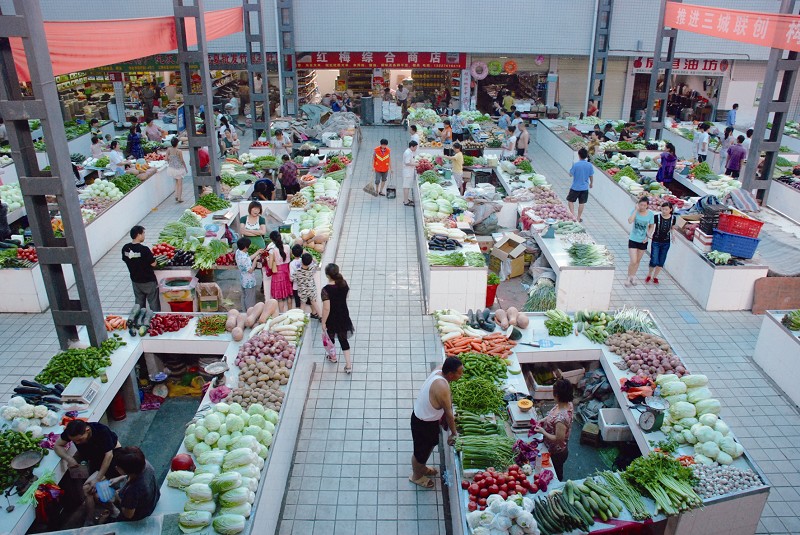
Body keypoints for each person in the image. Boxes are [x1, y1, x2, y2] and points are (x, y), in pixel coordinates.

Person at [409, 356, 463, 489]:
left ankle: (422, 468)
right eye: (460, 372)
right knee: (420, 452)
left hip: (427, 419)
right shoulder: (442, 387)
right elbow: (450, 415)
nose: (462, 375)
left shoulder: (439, 369)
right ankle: (416, 476)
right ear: (450, 374)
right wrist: (454, 434)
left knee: (430, 444)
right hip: (422, 423)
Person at [55, 420, 121, 523]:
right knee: (89, 490)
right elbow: (57, 445)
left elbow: (109, 455)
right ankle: (92, 518)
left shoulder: (101, 431)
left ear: (87, 430)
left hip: (111, 460)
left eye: (80, 439)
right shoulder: (72, 432)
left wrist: (98, 478)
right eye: (74, 441)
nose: (77, 443)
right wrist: (69, 459)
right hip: (94, 459)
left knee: (91, 490)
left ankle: (110, 512)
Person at [533, 378, 574, 481]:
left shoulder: (561, 418)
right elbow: (552, 416)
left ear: (557, 395)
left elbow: (558, 439)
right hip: (552, 448)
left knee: (555, 472)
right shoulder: (567, 404)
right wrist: (544, 420)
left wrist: (543, 431)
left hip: (557, 453)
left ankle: (559, 485)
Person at [105, 447, 159, 522]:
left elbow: (129, 515)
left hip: (142, 513)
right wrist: (120, 478)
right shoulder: (145, 465)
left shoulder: (132, 490)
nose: (116, 467)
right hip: (153, 498)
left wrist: (119, 497)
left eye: (118, 467)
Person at [321, 263, 355, 373]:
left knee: (330, 338)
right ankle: (348, 365)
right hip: (343, 315)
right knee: (343, 339)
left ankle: (333, 357)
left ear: (327, 275)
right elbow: (345, 298)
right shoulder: (343, 284)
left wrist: (323, 322)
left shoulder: (326, 290)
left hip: (332, 318)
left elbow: (326, 308)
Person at [122, 226, 160, 311]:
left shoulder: (125, 248)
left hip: (135, 280)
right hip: (148, 281)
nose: (144, 235)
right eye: (143, 233)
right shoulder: (144, 249)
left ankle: (139, 320)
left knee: (139, 303)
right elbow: (154, 264)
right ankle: (156, 320)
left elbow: (126, 260)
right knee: (153, 304)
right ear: (139, 235)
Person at [626, 196, 655, 287]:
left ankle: (633, 276)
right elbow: (630, 221)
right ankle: (628, 276)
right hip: (633, 239)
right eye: (640, 204)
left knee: (638, 260)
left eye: (644, 205)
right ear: (638, 204)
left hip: (643, 241)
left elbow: (651, 226)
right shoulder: (635, 211)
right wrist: (635, 210)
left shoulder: (650, 214)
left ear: (647, 206)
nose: (642, 207)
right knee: (633, 260)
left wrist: (648, 235)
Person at [646, 202, 676, 284]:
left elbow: (672, 228)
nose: (664, 211)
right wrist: (648, 234)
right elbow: (651, 226)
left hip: (666, 243)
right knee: (654, 260)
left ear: (670, 210)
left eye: (666, 209)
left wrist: (673, 235)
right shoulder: (656, 217)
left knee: (661, 261)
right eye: (663, 209)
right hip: (656, 241)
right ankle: (649, 274)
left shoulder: (673, 218)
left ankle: (655, 277)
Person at [266, 230, 292, 312]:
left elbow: (270, 266)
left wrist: (267, 260)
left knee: (280, 299)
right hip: (287, 273)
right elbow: (289, 258)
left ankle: (282, 315)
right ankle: (290, 313)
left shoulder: (272, 250)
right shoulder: (287, 247)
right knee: (289, 296)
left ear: (272, 240)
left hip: (277, 275)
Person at [235, 237, 263, 310]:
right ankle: (250, 313)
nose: (249, 247)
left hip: (243, 279)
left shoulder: (238, 252)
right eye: (248, 245)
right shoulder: (244, 258)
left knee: (244, 296)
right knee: (250, 298)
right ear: (245, 247)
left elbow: (248, 259)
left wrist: (257, 252)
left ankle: (244, 312)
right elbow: (250, 270)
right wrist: (255, 260)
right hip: (249, 281)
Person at [567, 148, 594, 222]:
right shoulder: (589, 165)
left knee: (570, 200)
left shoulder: (576, 165)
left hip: (575, 187)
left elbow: (570, 174)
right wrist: (591, 183)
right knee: (582, 203)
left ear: (579, 155)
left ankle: (573, 216)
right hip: (584, 187)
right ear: (586, 156)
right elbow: (591, 175)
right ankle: (578, 217)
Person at [293, 253, 322, 319]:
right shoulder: (312, 268)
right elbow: (317, 263)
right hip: (311, 289)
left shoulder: (298, 271)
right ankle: (320, 316)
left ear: (301, 261)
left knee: (302, 304)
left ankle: (300, 318)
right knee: (314, 302)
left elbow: (292, 278)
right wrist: (313, 259)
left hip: (302, 290)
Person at [166, 137, 187, 203]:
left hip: (171, 168)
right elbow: (182, 160)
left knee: (176, 182)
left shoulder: (169, 149)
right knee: (180, 184)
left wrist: (170, 160)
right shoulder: (179, 151)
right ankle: (179, 198)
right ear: (177, 143)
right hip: (179, 169)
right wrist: (185, 167)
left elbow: (166, 158)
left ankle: (176, 195)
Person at [402, 140, 418, 206]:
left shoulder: (409, 151)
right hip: (407, 172)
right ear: (412, 146)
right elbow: (407, 162)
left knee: (407, 186)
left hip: (408, 171)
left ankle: (406, 199)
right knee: (406, 186)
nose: (416, 148)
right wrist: (415, 164)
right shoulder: (408, 153)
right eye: (415, 147)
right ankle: (406, 201)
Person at [289, 244, 304, 309]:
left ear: (292, 253)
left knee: (297, 303)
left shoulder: (291, 263)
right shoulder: (303, 260)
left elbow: (292, 277)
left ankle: (298, 314)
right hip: (304, 285)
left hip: (296, 286)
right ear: (302, 252)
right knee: (304, 301)